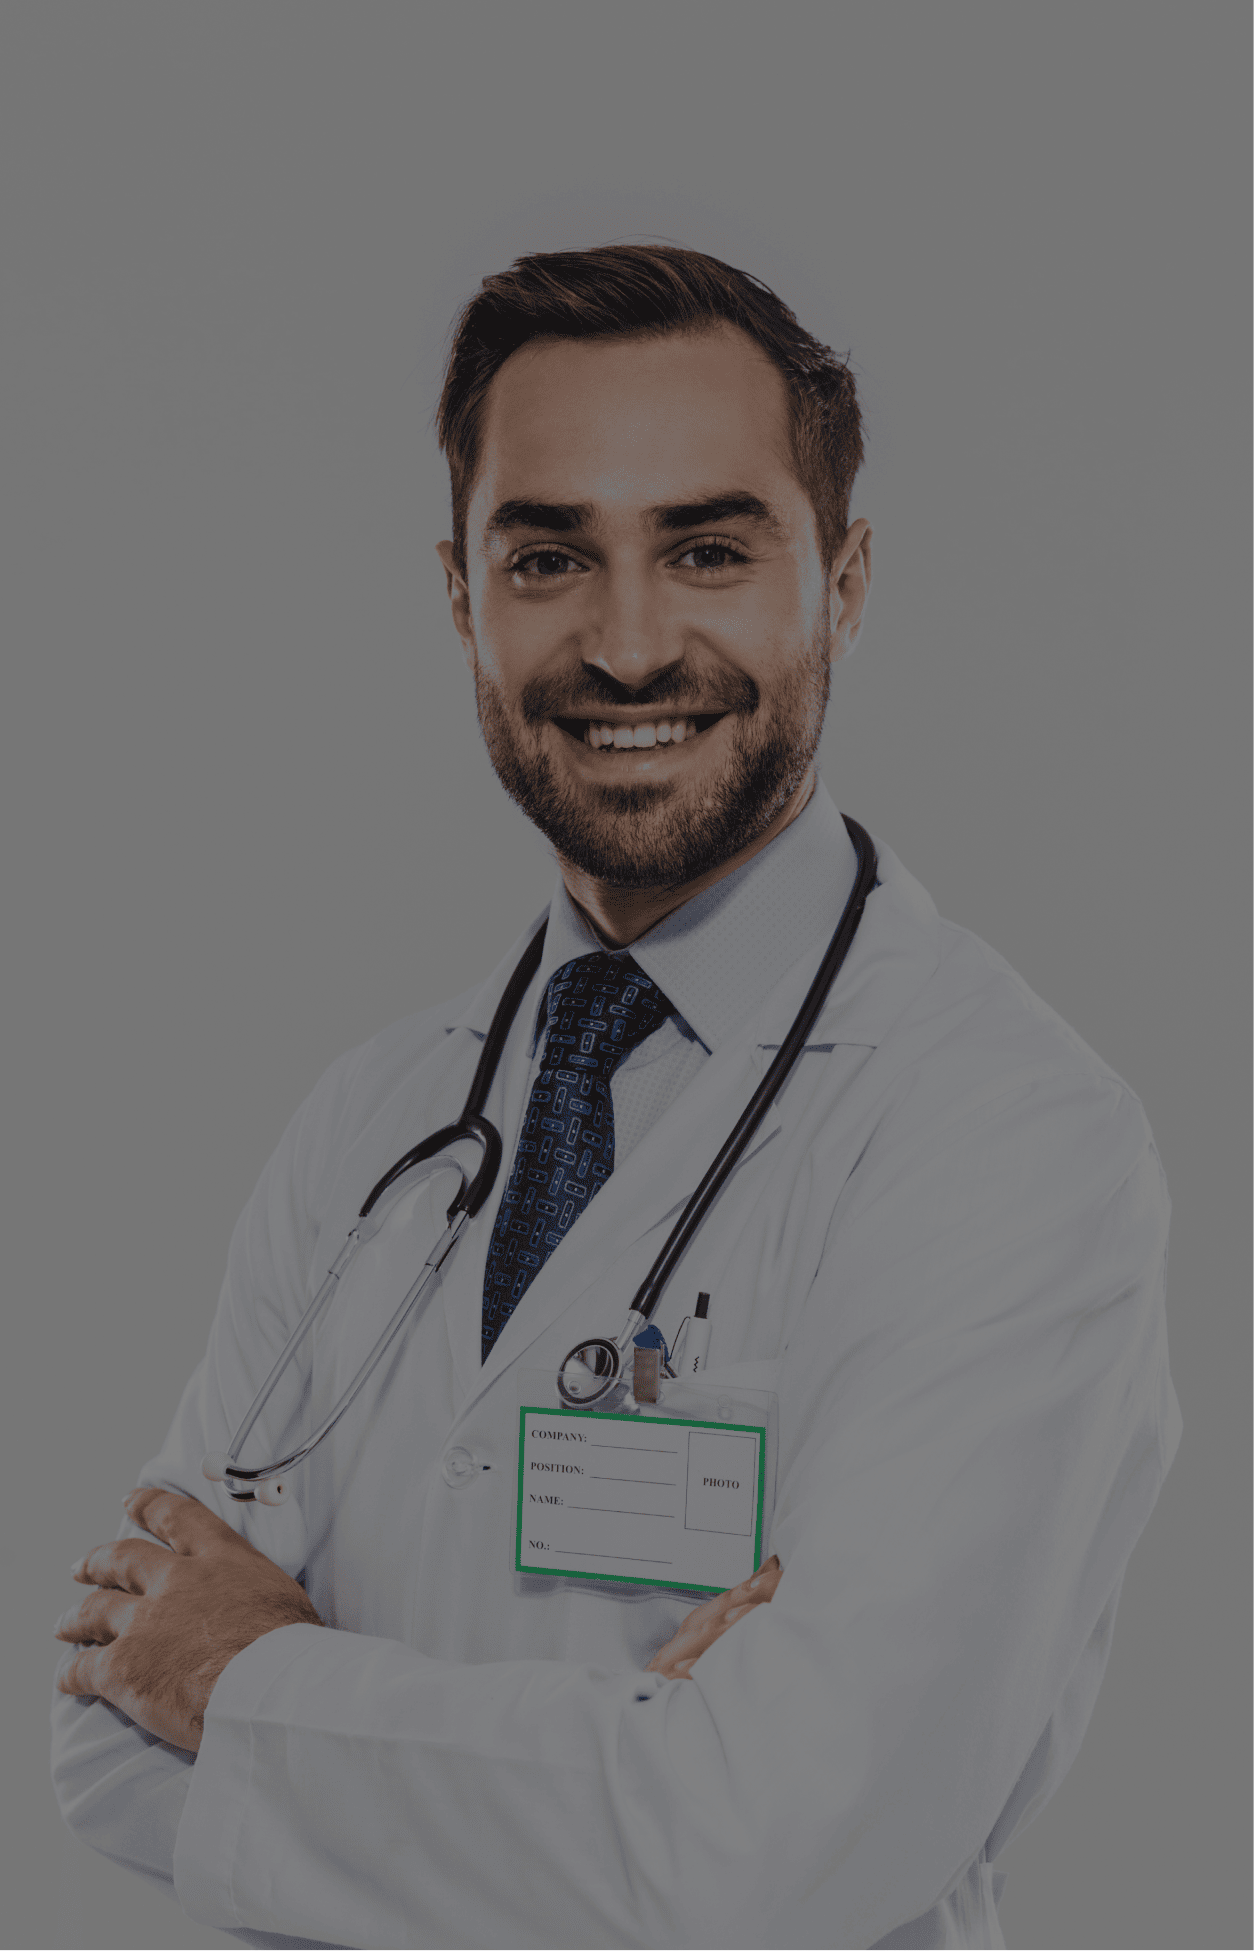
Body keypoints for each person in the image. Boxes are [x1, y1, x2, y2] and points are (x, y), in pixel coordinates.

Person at [50, 245, 1181, 1951]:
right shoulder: (374, 1129)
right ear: (460, 596)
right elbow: (98, 1741)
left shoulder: (1002, 1141)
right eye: (548, 556)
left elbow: (763, 1854)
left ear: (844, 582)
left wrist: (251, 1673)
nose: (629, 643)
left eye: (709, 549)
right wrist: (635, 1757)